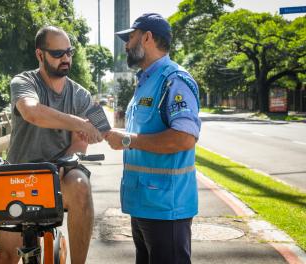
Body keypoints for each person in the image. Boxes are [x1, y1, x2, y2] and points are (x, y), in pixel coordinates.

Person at [0, 25, 103, 264]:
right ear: (40, 55)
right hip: (19, 175)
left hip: (58, 174)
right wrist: (80, 123)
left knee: (81, 184)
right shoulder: (24, 81)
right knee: (6, 255)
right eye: (57, 54)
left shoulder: (81, 95)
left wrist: (61, 165)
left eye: (69, 52)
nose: (65, 58)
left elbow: (81, 143)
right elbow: (32, 112)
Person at [105, 13, 201, 264]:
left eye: (130, 37)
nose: (126, 45)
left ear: (147, 37)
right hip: (143, 204)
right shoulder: (146, 81)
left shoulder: (174, 80)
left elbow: (184, 138)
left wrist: (127, 140)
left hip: (166, 209)